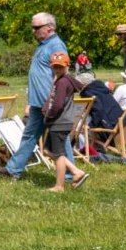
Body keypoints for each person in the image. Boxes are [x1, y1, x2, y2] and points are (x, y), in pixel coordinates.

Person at [0, 12, 68, 180]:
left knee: (59, 139)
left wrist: (52, 99)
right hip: (38, 103)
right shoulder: (43, 45)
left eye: (37, 27)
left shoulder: (56, 45)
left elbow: (61, 74)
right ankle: (13, 170)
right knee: (29, 136)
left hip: (49, 102)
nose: (33, 31)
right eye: (33, 27)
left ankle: (68, 174)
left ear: (49, 27)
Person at [44, 51, 89, 192]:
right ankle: (76, 171)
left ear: (67, 66)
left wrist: (49, 116)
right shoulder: (62, 79)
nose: (57, 69)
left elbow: (57, 105)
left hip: (59, 122)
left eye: (60, 67)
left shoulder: (63, 83)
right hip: (61, 122)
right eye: (55, 67)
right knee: (46, 151)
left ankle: (59, 186)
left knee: (58, 155)